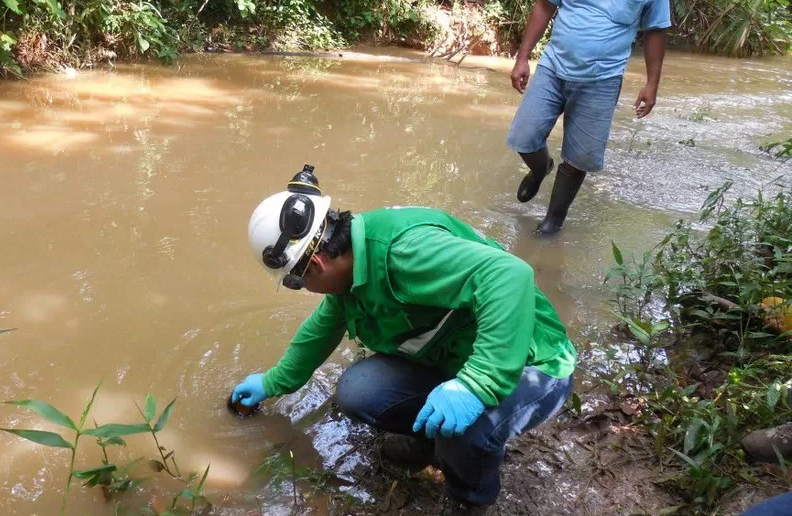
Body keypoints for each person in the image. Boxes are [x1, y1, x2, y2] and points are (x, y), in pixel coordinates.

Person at [230, 166, 577, 515]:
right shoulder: (353, 259)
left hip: (536, 363)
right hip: (459, 355)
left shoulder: (405, 254)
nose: (304, 290)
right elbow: (323, 326)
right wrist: (274, 381)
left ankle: (469, 499)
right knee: (359, 390)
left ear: (315, 263)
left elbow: (509, 274)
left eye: (296, 282)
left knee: (466, 433)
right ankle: (431, 445)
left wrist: (476, 384)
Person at [506, 0, 671, 235]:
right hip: (553, 66)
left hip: (603, 79)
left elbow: (655, 29)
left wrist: (652, 83)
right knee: (523, 137)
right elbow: (545, 4)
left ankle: (553, 221)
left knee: (579, 158)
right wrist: (523, 56)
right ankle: (541, 168)